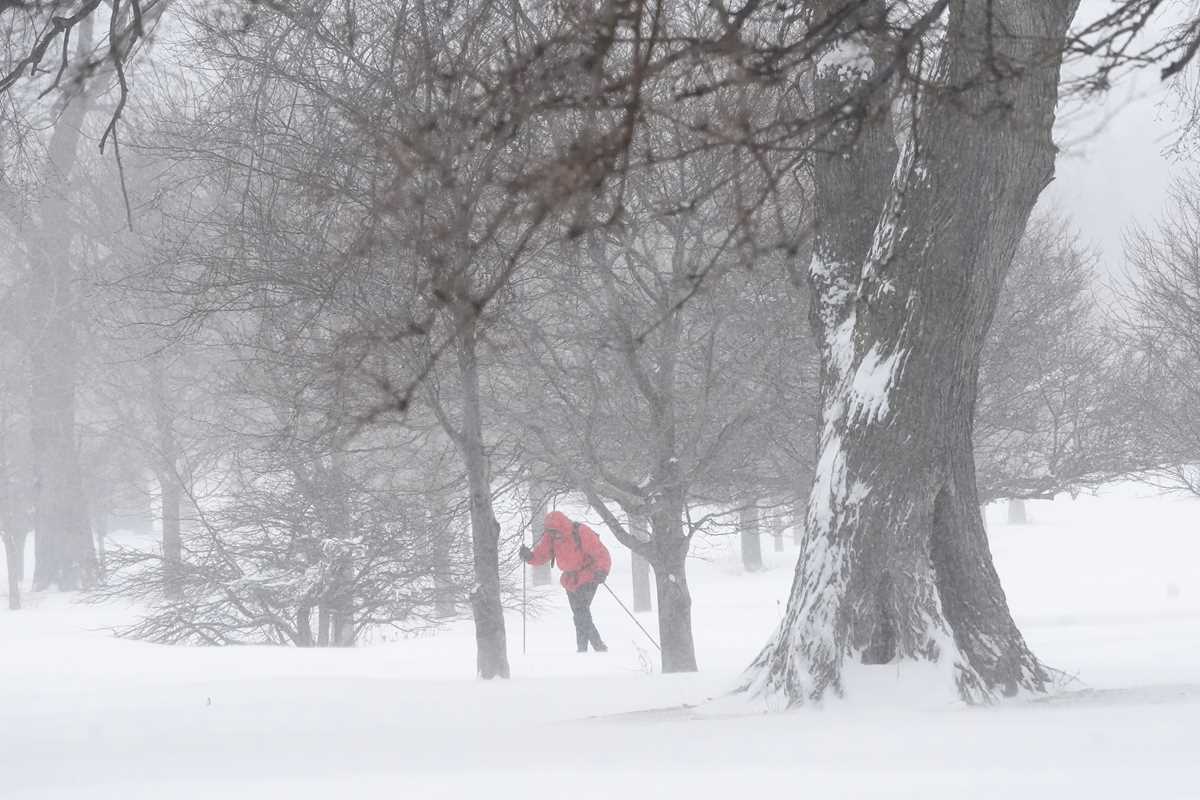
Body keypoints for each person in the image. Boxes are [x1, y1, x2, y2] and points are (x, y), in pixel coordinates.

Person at [520, 511, 612, 653]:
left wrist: (602, 570)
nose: (554, 535)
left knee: (580, 612)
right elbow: (542, 554)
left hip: (588, 576)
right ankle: (590, 648)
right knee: (579, 614)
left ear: (561, 527)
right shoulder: (551, 537)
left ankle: (590, 648)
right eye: (551, 532)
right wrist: (530, 557)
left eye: (555, 531)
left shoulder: (581, 532)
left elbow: (601, 553)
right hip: (570, 580)